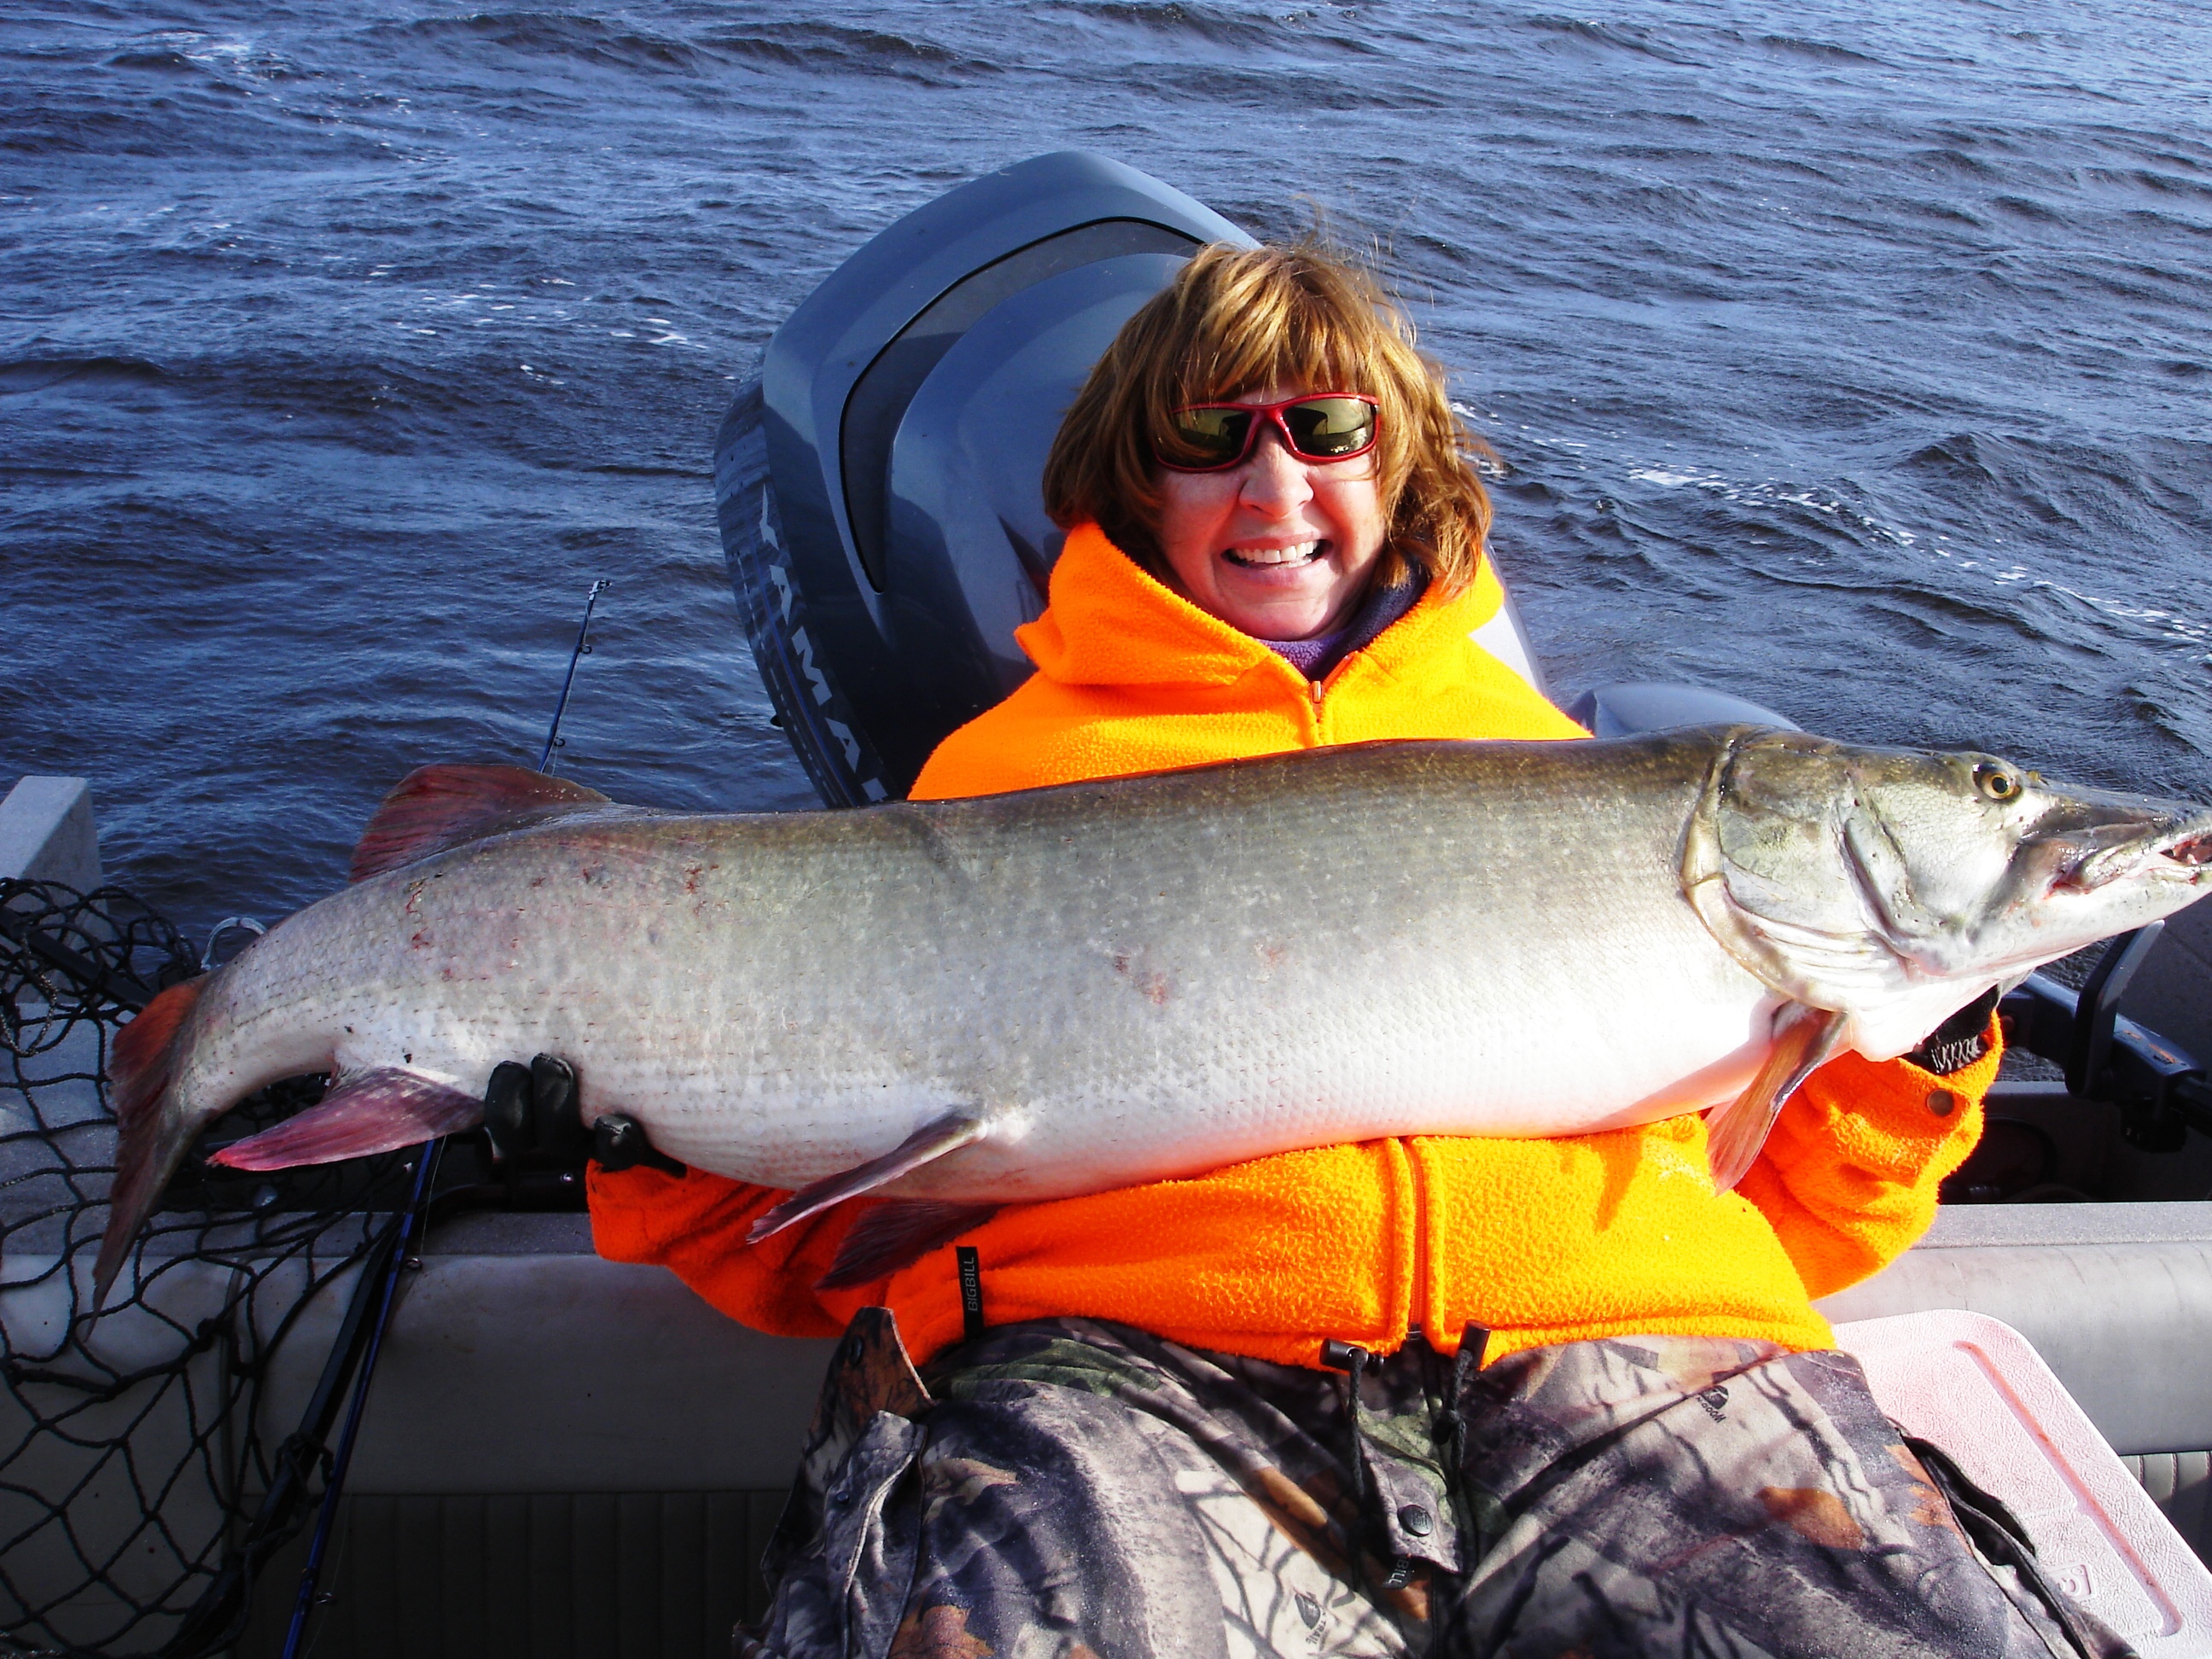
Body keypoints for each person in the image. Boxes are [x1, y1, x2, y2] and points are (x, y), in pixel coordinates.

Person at [585, 243, 2123, 1657]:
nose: (1276, 486)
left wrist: (1912, 1049)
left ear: (1398, 465)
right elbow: (825, 1246)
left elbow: (1798, 1227)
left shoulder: (1580, 776)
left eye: (1328, 431)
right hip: (1139, 1379)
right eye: (1213, 436)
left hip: (1629, 1357)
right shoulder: (1000, 783)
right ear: (1137, 477)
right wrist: (637, 1144)